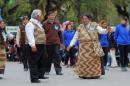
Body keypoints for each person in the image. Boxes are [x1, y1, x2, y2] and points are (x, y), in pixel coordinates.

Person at [67, 14, 108, 79]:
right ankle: (83, 74)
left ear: (89, 19)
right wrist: (70, 45)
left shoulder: (94, 25)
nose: (84, 20)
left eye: (86, 18)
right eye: (83, 19)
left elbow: (102, 31)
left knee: (94, 62)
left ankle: (95, 74)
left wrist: (107, 30)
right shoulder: (80, 27)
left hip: (93, 47)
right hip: (83, 48)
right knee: (84, 62)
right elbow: (75, 37)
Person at [25, 9, 48, 83]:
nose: (42, 16)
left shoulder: (38, 23)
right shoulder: (30, 24)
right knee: (33, 61)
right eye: (41, 15)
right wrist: (32, 45)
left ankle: (39, 74)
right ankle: (34, 78)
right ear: (37, 16)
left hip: (41, 45)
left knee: (43, 59)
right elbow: (30, 35)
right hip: (35, 45)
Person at [43, 10, 63, 75]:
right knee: (48, 57)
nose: (52, 17)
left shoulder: (57, 23)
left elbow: (60, 33)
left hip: (56, 42)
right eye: (51, 15)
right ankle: (47, 70)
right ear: (48, 16)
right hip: (47, 43)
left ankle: (58, 70)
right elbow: (42, 34)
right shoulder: (44, 24)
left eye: (53, 15)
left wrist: (61, 42)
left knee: (57, 55)